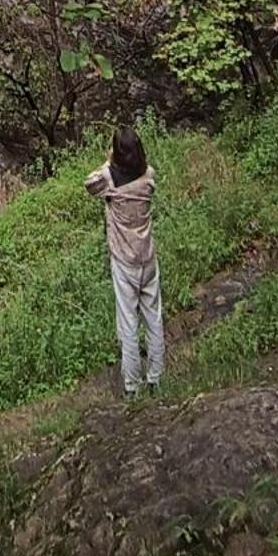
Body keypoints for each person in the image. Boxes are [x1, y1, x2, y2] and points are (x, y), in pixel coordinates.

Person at [86, 126, 165, 397]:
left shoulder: (108, 178)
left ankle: (132, 386)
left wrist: (109, 161)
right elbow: (143, 172)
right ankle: (156, 378)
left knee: (128, 323)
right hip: (148, 256)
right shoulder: (149, 176)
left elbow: (89, 183)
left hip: (123, 259)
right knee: (153, 318)